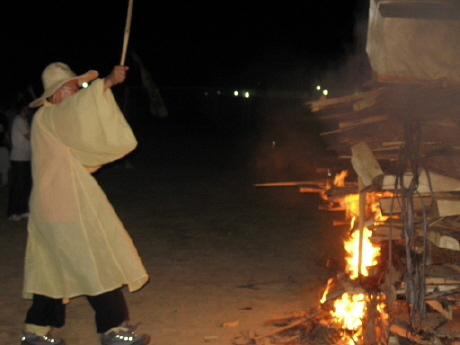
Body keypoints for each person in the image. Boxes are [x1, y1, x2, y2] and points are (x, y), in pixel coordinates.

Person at [21, 62, 150, 345]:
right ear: (55, 94)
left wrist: (98, 90)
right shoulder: (49, 116)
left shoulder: (51, 122)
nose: (78, 93)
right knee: (96, 261)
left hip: (52, 208)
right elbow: (76, 111)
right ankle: (112, 329)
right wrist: (104, 84)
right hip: (64, 208)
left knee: (51, 270)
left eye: (79, 88)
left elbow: (82, 136)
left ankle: (35, 331)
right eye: (72, 88)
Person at [7, 105, 32, 221]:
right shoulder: (19, 120)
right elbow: (29, 137)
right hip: (18, 158)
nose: (28, 110)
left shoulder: (24, 120)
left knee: (25, 186)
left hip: (25, 157)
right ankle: (12, 212)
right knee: (18, 186)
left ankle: (21, 210)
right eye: (27, 108)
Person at [0, 107, 10, 187]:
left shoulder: (3, 117)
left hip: (2, 146)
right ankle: (4, 181)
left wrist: (8, 144)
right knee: (4, 165)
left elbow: (6, 132)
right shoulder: (4, 117)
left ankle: (4, 181)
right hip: (3, 146)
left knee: (4, 165)